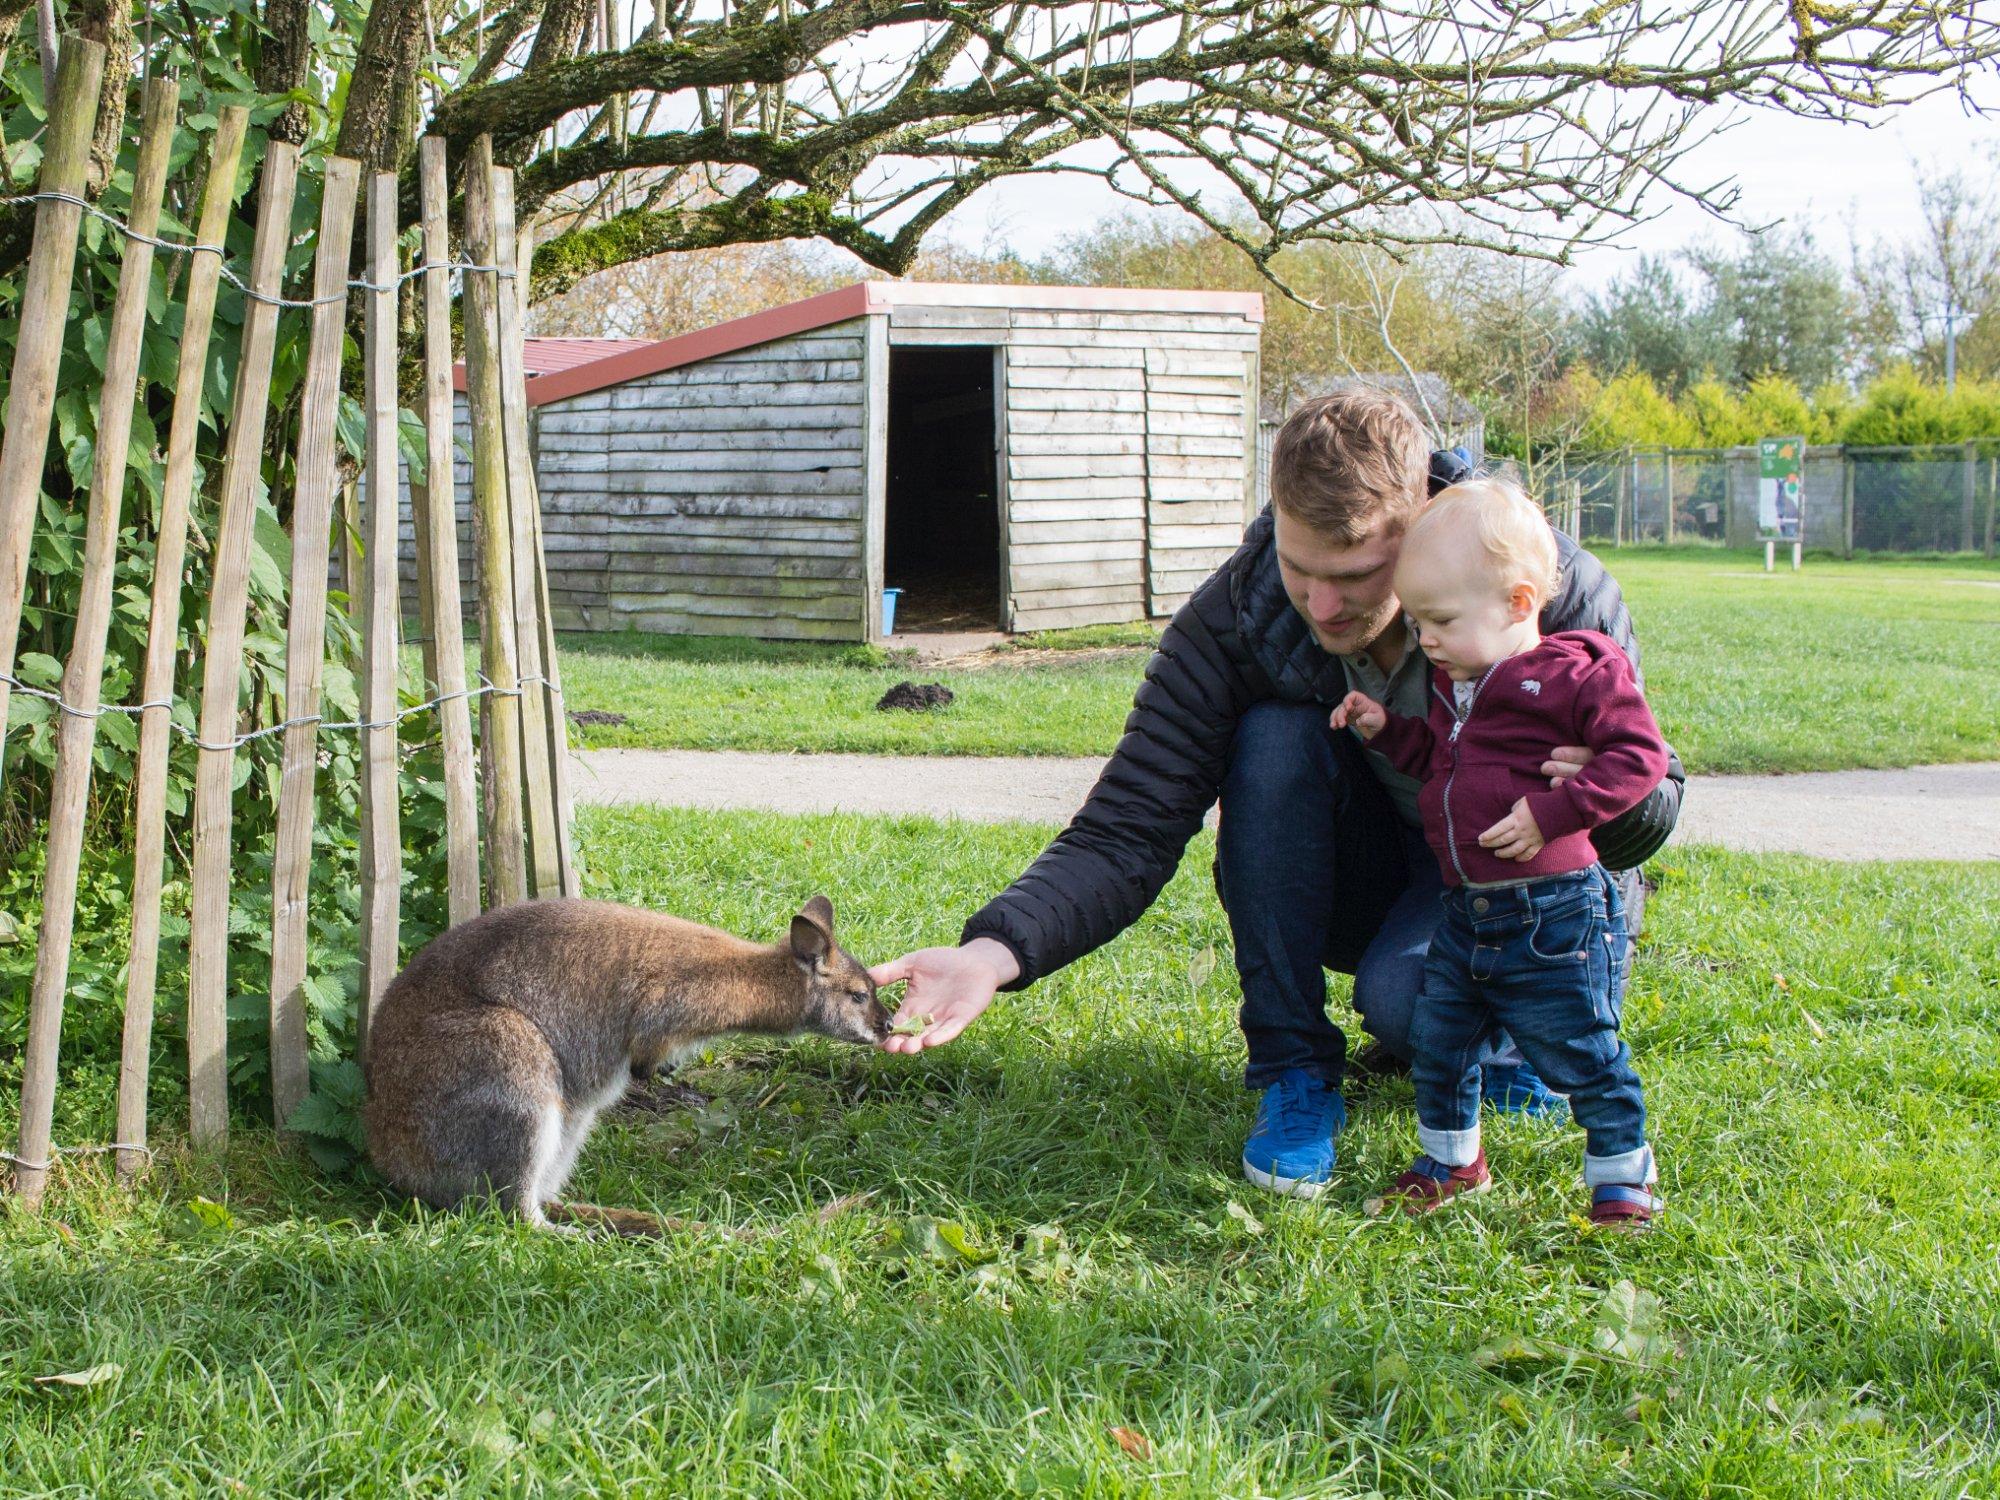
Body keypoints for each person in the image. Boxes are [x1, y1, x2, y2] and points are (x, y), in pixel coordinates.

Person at [872, 390, 1685, 1198]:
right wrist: (993, 953)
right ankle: (1294, 1070)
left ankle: (1512, 1046)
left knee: (1407, 1007)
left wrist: (1606, 794)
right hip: (1376, 865)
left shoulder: (1544, 582)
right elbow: (1128, 824)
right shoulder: (1238, 615)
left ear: (1418, 522)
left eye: (1358, 575)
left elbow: (1653, 792)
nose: (1323, 606)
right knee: (1273, 738)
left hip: (1529, 887)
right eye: (1302, 570)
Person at [1331, 479, 1668, 1228]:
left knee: (1581, 1048)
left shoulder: (1579, 670)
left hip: (1554, 912)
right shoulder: (1465, 684)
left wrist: (1554, 813)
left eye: (1441, 620)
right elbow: (1446, 767)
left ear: (1519, 602)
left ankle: (1624, 1175)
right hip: (1466, 911)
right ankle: (1453, 1162)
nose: (1426, 641)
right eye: (1418, 622)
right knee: (1440, 1042)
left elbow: (1640, 758)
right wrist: (1389, 729)